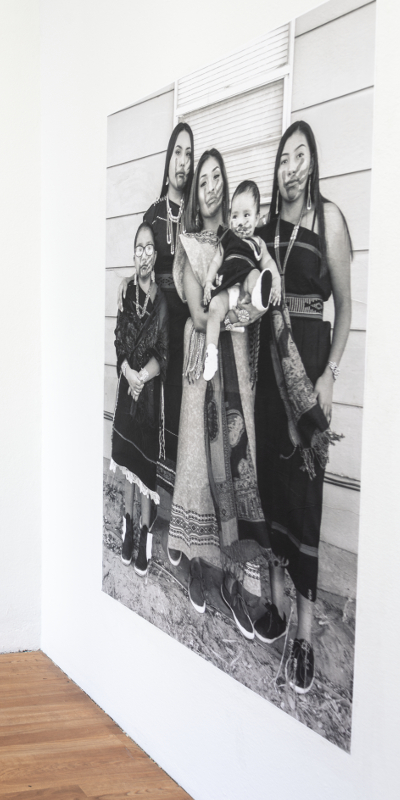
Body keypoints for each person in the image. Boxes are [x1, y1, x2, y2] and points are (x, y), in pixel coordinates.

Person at [253, 121, 351, 693]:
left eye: (300, 157)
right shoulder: (264, 229)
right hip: (267, 379)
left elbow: (346, 308)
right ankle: (275, 602)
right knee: (267, 490)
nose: (291, 167)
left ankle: (306, 633)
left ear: (311, 165)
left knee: (305, 499)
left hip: (309, 380)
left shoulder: (328, 220)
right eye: (283, 158)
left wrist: (330, 376)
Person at [168, 149, 270, 636]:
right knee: (196, 459)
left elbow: (260, 296)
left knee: (234, 455)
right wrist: (233, 313)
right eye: (202, 180)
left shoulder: (241, 240)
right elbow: (195, 306)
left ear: (225, 186)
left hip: (237, 361)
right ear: (195, 191)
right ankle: (197, 564)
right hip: (201, 360)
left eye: (216, 178)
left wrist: (240, 309)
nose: (209, 185)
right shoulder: (187, 244)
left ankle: (234, 574)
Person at [141, 124, 194, 562]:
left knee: (182, 414)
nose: (183, 161)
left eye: (189, 154)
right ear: (168, 159)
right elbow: (141, 266)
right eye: (178, 152)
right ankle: (155, 507)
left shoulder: (197, 214)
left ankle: (179, 517)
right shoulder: (154, 214)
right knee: (155, 411)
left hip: (189, 327)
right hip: (159, 321)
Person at [111, 223, 168, 576]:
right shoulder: (125, 293)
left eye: (149, 248)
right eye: (138, 248)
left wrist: (141, 376)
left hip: (148, 396)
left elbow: (163, 353)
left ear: (155, 255)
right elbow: (119, 342)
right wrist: (127, 373)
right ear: (133, 254)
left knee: (145, 469)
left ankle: (145, 532)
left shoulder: (161, 301)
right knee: (128, 461)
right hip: (126, 386)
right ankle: (128, 524)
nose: (143, 254)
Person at [200, 180, 282, 380]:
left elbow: (269, 264)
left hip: (246, 285)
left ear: (256, 219)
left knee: (255, 275)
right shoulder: (227, 239)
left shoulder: (257, 242)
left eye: (246, 215)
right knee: (213, 309)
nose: (241, 222)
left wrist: (277, 284)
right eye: (235, 216)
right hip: (227, 287)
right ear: (229, 219)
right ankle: (210, 353)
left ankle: (258, 297)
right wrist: (209, 282)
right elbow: (215, 262)